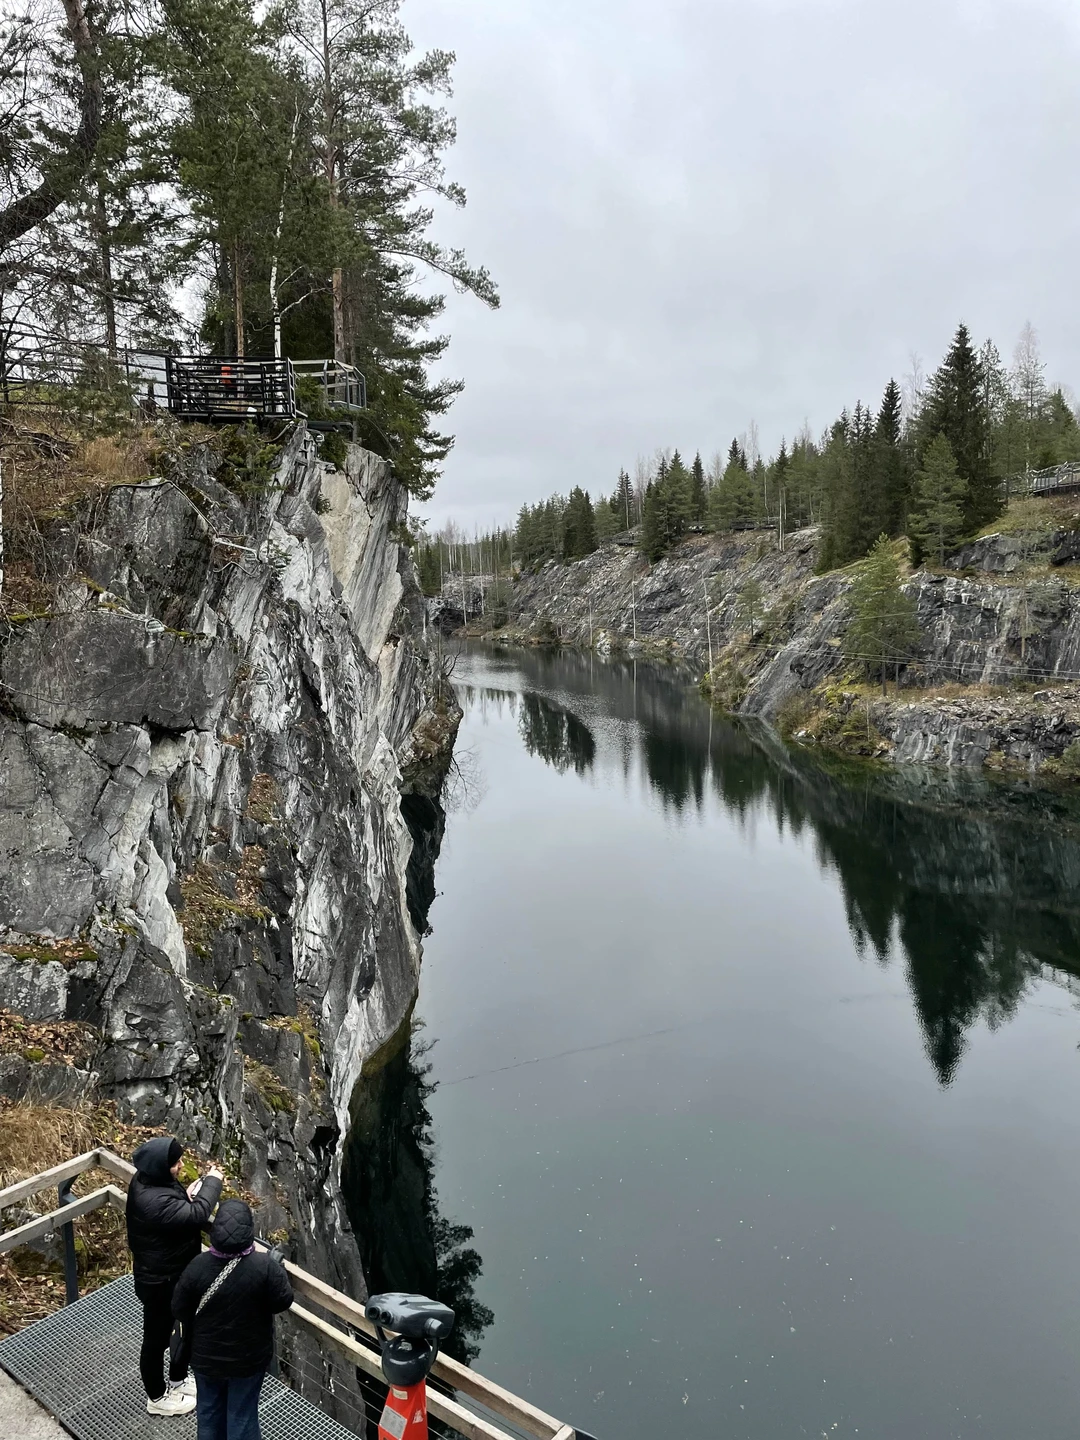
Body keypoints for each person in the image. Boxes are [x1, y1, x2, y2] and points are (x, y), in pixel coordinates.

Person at [172, 1199, 294, 1440]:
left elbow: (178, 1308)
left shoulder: (198, 1266)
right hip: (247, 1360)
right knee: (242, 1416)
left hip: (206, 1358)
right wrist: (276, 1266)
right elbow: (283, 1301)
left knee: (208, 1414)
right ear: (248, 1231)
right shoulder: (264, 1267)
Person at [126, 1137, 224, 1417]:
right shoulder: (151, 1200)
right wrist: (213, 1182)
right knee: (156, 1339)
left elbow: (174, 1205)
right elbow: (197, 1215)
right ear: (160, 1166)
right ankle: (157, 1397)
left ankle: (178, 1380)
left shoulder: (148, 1180)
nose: (181, 1166)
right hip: (159, 1281)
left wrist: (185, 1195)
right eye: (175, 1163)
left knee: (183, 1327)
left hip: (171, 1273)